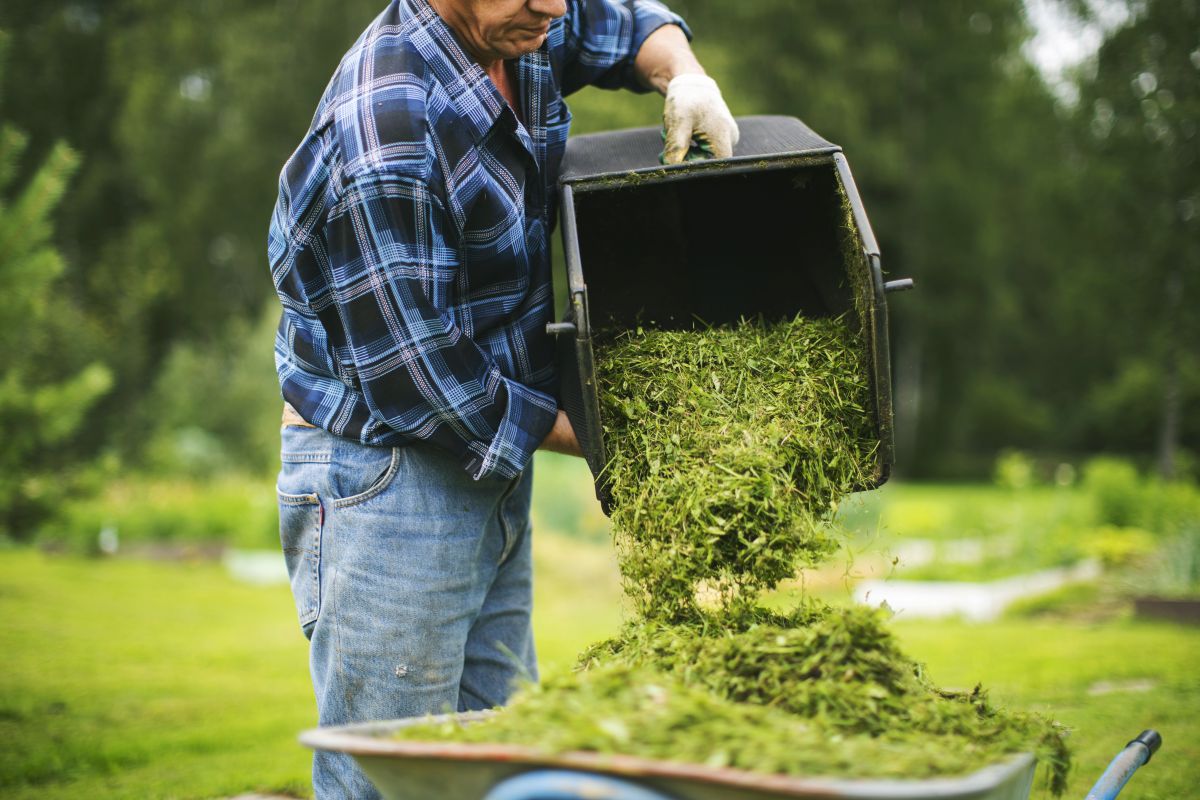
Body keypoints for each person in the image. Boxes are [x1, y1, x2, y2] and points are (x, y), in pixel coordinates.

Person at [267, 0, 737, 795]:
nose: (553, 6)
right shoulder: (387, 129)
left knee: (502, 760)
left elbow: (618, 24)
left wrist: (686, 75)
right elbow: (425, 381)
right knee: (395, 777)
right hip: (390, 479)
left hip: (486, 463)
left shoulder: (521, 23)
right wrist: (612, 433)